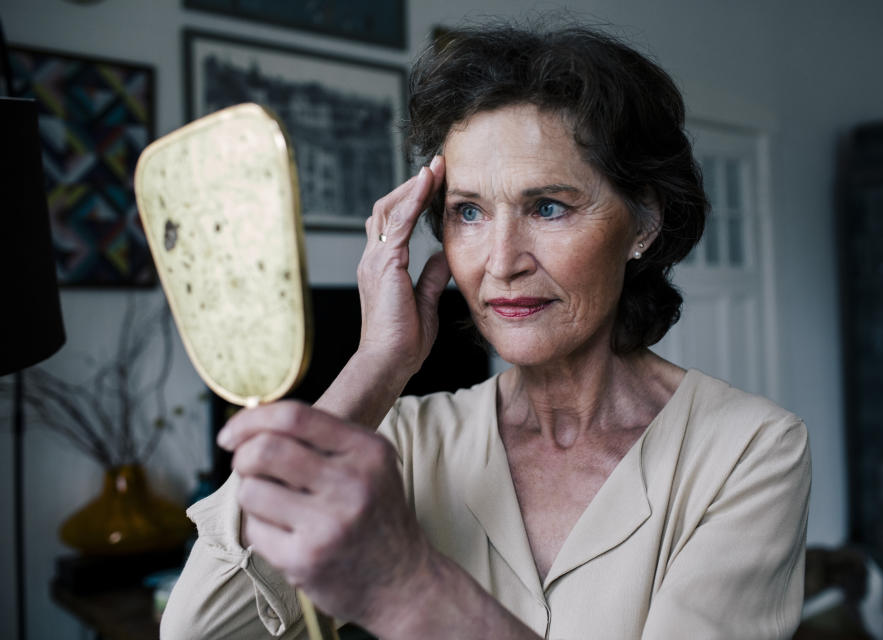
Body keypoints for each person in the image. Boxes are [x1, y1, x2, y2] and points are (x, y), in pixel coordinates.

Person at [161, 22, 811, 640]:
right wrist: (376, 364)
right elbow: (201, 629)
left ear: (643, 223)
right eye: (468, 212)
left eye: (548, 207)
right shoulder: (405, 442)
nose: (501, 263)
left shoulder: (747, 450)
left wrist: (406, 587)